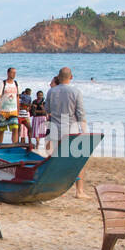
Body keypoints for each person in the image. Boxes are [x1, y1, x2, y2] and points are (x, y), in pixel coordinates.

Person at [44, 67, 89, 197]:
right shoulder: (76, 92)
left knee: (57, 159)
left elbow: (47, 109)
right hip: (71, 129)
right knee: (78, 160)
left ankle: (56, 189)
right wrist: (84, 130)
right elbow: (80, 113)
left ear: (58, 77)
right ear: (71, 77)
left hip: (55, 128)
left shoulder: (51, 92)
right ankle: (79, 191)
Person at [0, 67, 20, 143]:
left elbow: (17, 97)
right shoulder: (3, 84)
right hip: (3, 111)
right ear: (8, 73)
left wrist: (18, 109)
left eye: (15, 73)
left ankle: (14, 144)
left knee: (15, 128)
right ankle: (0, 145)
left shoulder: (16, 84)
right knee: (2, 130)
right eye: (12, 72)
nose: (14, 74)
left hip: (13, 110)